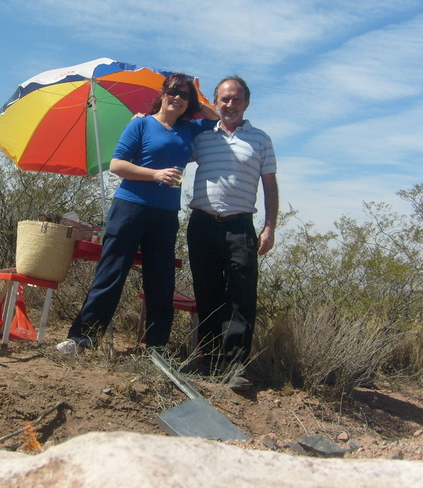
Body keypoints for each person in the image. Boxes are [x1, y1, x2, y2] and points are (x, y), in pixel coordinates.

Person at [57, 74, 218, 353]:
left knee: (161, 280)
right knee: (111, 273)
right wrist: (155, 173)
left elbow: (216, 120)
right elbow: (118, 165)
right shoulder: (141, 124)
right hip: (130, 207)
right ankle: (82, 338)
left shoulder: (188, 129)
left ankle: (156, 347)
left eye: (185, 95)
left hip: (166, 213)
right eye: (173, 91)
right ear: (163, 92)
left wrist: (200, 97)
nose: (178, 98)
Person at [186, 75, 278, 390]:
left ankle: (235, 367)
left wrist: (270, 226)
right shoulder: (200, 136)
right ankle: (208, 362)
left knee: (241, 296)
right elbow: (167, 146)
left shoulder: (261, 139)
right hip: (202, 224)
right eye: (224, 99)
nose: (230, 104)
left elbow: (270, 185)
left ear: (246, 103)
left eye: (236, 98)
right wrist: (147, 121)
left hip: (241, 226)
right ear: (215, 102)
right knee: (207, 293)